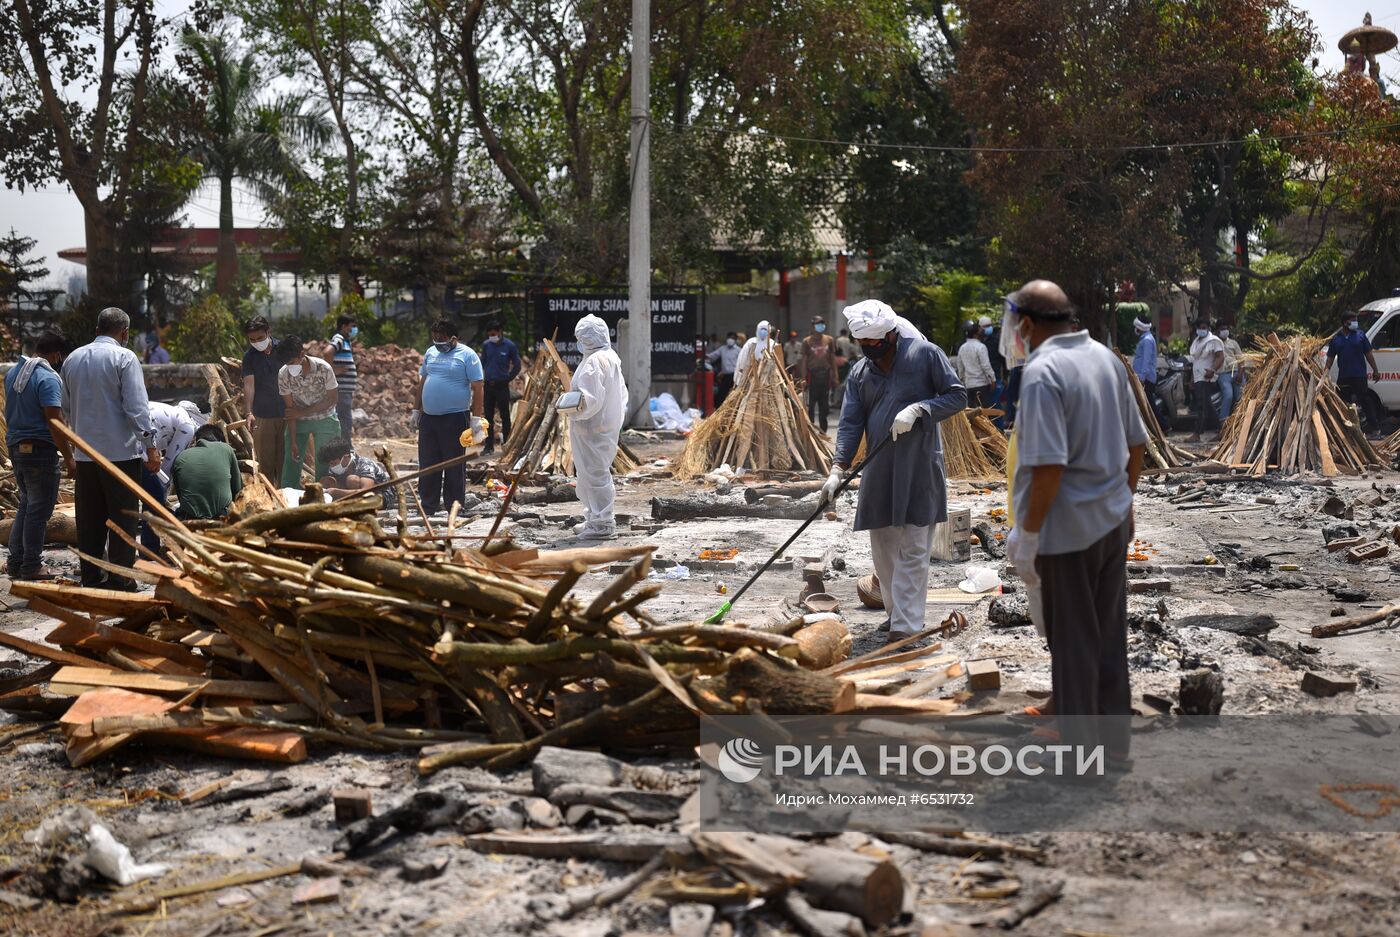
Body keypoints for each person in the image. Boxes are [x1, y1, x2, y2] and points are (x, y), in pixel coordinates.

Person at [1003, 279, 1146, 764]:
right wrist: (1125, 502)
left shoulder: (1044, 372)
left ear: (1026, 323)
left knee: (1074, 642)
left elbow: (1048, 466)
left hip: (1067, 531)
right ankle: (1113, 746)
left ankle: (1083, 756)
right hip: (1109, 522)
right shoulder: (1105, 358)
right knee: (1107, 637)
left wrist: (1028, 533)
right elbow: (1136, 446)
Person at [821, 300, 966, 642]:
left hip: (919, 467)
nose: (871, 349)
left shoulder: (925, 355)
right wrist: (837, 469)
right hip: (880, 468)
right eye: (864, 345)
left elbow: (958, 396)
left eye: (876, 343)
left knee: (914, 549)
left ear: (890, 334)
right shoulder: (860, 373)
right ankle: (896, 612)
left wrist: (920, 408)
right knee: (884, 551)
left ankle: (906, 626)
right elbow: (850, 423)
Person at [61, 307, 160, 590]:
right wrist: (151, 445)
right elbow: (137, 407)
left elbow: (66, 407)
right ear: (125, 333)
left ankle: (92, 578)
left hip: (86, 456)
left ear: (97, 329)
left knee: (89, 521)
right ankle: (120, 578)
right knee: (124, 519)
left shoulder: (72, 359)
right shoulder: (125, 357)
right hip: (120, 454)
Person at [5, 330, 76, 581]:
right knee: (38, 511)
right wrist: (69, 457)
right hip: (39, 451)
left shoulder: (14, 373)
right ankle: (32, 565)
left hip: (17, 448)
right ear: (57, 355)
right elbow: (54, 422)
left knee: (26, 505)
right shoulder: (47, 377)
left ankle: (16, 562)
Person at [561, 314, 629, 539]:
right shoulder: (609, 356)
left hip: (590, 427)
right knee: (590, 474)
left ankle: (602, 524)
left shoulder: (593, 362)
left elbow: (589, 400)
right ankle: (594, 518)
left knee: (595, 475)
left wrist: (568, 407)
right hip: (603, 426)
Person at [413, 319, 484, 515]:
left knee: (453, 463)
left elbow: (478, 387)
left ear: (453, 339)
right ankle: (428, 505)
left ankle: (454, 507)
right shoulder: (431, 352)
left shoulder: (468, 355)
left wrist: (476, 419)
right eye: (434, 338)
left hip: (454, 418)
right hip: (429, 417)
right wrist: (416, 410)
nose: (437, 342)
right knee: (428, 462)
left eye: (441, 339)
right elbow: (423, 380)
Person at [276, 336, 342, 487]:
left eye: (292, 362)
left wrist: (303, 412)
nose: (289, 367)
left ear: (301, 354)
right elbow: (291, 410)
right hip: (299, 421)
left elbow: (332, 399)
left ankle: (324, 499)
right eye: (286, 364)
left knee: (325, 463)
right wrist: (293, 441)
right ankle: (288, 500)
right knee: (291, 462)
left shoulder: (323, 368)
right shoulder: (284, 374)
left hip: (325, 418)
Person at [140, 400, 199, 553]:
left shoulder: (173, 413)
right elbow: (169, 464)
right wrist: (163, 496)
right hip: (137, 444)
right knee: (155, 497)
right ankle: (150, 550)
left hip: (128, 441)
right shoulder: (187, 426)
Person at [241, 316, 286, 483]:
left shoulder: (284, 349)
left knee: (285, 463)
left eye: (260, 338)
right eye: (252, 340)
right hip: (263, 416)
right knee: (266, 465)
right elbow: (249, 386)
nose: (256, 342)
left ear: (269, 332)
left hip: (288, 414)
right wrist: (248, 413)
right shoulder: (249, 357)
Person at [1326, 311, 1385, 433]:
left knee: (1365, 401)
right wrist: (1323, 375)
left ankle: (1375, 429)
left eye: (1356, 320)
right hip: (1344, 378)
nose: (1355, 323)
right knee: (1343, 403)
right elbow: (1330, 359)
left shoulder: (1360, 335)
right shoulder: (1336, 340)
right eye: (1352, 320)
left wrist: (1375, 370)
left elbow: (1368, 354)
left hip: (1359, 376)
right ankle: (1345, 431)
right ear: (1344, 323)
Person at [171, 424, 243, 520]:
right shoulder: (226, 449)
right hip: (221, 517)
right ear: (219, 441)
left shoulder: (181, 457)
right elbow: (237, 489)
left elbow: (181, 494)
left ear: (196, 439)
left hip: (189, 518)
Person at [480, 320, 522, 455]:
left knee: (505, 416)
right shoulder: (486, 345)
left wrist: (508, 378)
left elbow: (517, 365)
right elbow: (482, 363)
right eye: (489, 334)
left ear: (499, 332)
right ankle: (488, 446)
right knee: (488, 417)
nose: (491, 336)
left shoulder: (509, 346)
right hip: (488, 386)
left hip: (502, 386)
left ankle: (507, 445)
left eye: (493, 334)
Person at [317, 438, 394, 508]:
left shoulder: (365, 464)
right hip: (357, 496)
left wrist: (336, 492)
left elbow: (366, 491)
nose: (332, 467)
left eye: (334, 463)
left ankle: (354, 507)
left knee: (352, 479)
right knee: (327, 481)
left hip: (379, 497)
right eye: (330, 464)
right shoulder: (335, 468)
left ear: (345, 457)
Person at [1186, 317, 1225, 442]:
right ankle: (1221, 430)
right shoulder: (1196, 342)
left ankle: (1197, 434)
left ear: (1208, 328)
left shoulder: (1214, 341)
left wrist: (1212, 370)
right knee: (1207, 405)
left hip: (1206, 377)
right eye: (1199, 328)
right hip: (1197, 377)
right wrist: (1192, 378)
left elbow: (1220, 357)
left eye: (1204, 328)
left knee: (1202, 406)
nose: (1201, 330)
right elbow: (1196, 362)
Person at [801, 315, 838, 432]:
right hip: (812, 375)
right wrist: (803, 378)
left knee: (824, 406)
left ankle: (823, 431)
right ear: (813, 326)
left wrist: (835, 376)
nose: (821, 326)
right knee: (811, 406)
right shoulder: (807, 341)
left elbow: (832, 359)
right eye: (818, 324)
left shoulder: (829, 340)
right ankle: (811, 430)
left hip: (825, 375)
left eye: (822, 323)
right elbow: (804, 361)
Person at [328, 313, 358, 441]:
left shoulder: (346, 341)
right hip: (341, 389)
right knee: (345, 419)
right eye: (352, 326)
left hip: (345, 390)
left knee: (344, 418)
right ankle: (345, 448)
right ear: (344, 326)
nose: (353, 330)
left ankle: (344, 446)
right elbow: (327, 352)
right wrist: (333, 370)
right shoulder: (339, 339)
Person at [955, 322, 997, 408]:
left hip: (968, 385)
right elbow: (986, 366)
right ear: (975, 334)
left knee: (971, 415)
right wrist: (993, 379)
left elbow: (960, 367)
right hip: (981, 385)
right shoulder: (981, 347)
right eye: (980, 330)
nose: (982, 332)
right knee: (984, 414)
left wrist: (962, 380)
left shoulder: (962, 348)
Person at [734, 320, 778, 388]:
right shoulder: (751, 342)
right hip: (751, 376)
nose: (763, 331)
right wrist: (739, 378)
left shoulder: (773, 344)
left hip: (768, 378)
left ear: (769, 331)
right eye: (761, 329)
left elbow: (778, 362)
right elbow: (742, 360)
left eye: (765, 329)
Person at [707, 332, 741, 407]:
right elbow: (713, 355)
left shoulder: (739, 350)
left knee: (736, 395)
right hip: (725, 376)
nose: (730, 340)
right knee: (721, 395)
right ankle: (718, 410)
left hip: (735, 376)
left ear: (735, 339)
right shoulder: (723, 349)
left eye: (732, 338)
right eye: (729, 338)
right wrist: (704, 356)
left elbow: (742, 362)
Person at [1132, 316, 1158, 397]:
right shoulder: (1145, 339)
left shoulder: (1147, 340)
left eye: (1136, 327)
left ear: (1140, 327)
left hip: (1146, 379)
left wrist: (1142, 378)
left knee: (1149, 406)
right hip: (1143, 378)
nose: (1135, 329)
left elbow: (1146, 361)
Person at [980, 315, 1005, 382]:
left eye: (990, 325)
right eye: (986, 326)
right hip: (982, 378)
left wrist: (1005, 376)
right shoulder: (978, 342)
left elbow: (1003, 359)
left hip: (996, 375)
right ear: (980, 328)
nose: (989, 328)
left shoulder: (997, 340)